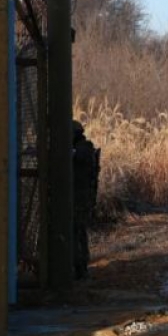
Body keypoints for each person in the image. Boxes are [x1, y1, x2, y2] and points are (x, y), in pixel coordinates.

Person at [72, 120, 100, 280]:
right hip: (80, 198)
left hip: (81, 199)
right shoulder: (81, 148)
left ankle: (80, 266)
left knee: (78, 230)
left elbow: (77, 156)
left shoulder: (85, 147)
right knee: (77, 231)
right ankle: (79, 266)